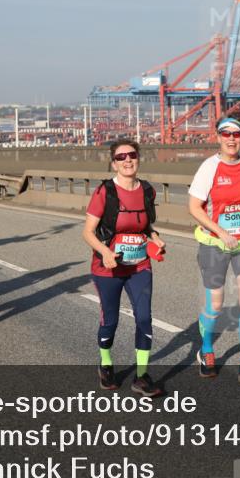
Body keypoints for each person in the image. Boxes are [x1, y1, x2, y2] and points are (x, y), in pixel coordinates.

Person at [188, 117, 240, 386]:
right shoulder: (208, 168)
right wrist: (221, 232)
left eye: (237, 134)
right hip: (215, 243)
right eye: (226, 134)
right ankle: (207, 350)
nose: (232, 139)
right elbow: (194, 208)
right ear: (218, 137)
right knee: (216, 305)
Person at [82, 139, 166, 397]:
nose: (127, 160)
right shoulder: (105, 192)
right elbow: (87, 232)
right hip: (108, 268)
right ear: (114, 163)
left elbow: (144, 226)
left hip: (139, 266)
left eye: (132, 155)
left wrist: (155, 238)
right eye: (121, 157)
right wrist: (105, 251)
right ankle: (106, 364)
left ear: (138, 158)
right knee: (111, 321)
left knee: (144, 318)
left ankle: (141, 377)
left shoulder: (148, 191)